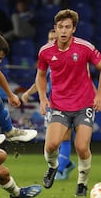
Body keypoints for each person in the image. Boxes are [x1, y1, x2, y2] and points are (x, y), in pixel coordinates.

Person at [35, 9, 101, 196]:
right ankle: (53, 167)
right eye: (60, 27)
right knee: (51, 146)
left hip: (84, 105)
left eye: (67, 27)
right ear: (55, 28)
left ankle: (82, 184)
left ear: (73, 29)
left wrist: (99, 95)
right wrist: (43, 98)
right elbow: (41, 75)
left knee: (82, 147)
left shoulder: (85, 47)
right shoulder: (45, 52)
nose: (63, 31)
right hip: (59, 105)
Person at [21, 29, 76, 181]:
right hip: (51, 104)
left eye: (54, 38)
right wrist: (28, 93)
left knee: (64, 137)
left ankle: (60, 168)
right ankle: (67, 163)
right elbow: (40, 80)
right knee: (54, 140)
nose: (51, 41)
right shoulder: (47, 59)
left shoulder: (67, 57)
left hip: (66, 103)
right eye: (49, 38)